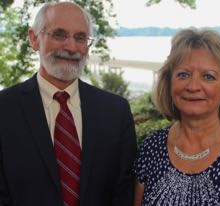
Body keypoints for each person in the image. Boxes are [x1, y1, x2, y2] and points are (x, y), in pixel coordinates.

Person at [0, 2, 137, 206]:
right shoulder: (4, 110)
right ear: (34, 39)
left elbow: (124, 192)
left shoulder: (116, 112)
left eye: (80, 37)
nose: (71, 47)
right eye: (59, 34)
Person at [133, 28, 220, 206]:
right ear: (169, 83)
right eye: (183, 74)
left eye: (208, 77)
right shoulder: (151, 149)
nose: (193, 86)